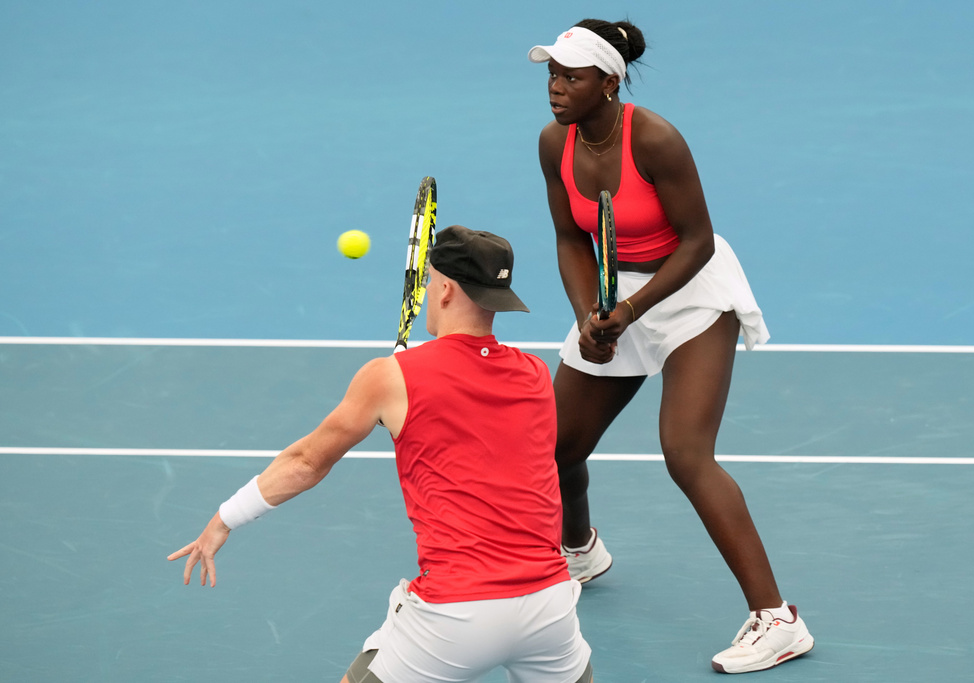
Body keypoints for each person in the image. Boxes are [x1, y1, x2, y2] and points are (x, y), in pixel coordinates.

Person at [168, 225, 594, 683]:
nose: (428, 291)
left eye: (430, 282)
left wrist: (224, 518)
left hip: (456, 617)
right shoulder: (533, 375)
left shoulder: (390, 378)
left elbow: (306, 462)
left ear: (447, 290)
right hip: (549, 606)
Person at [528, 20, 813, 674]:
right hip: (615, 295)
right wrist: (588, 316)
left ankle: (778, 618)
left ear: (608, 82)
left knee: (686, 452)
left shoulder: (654, 139)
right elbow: (573, 240)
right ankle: (579, 549)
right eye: (551, 73)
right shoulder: (554, 143)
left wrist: (628, 310)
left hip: (688, 294)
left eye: (572, 76)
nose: (556, 87)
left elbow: (698, 241)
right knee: (554, 444)